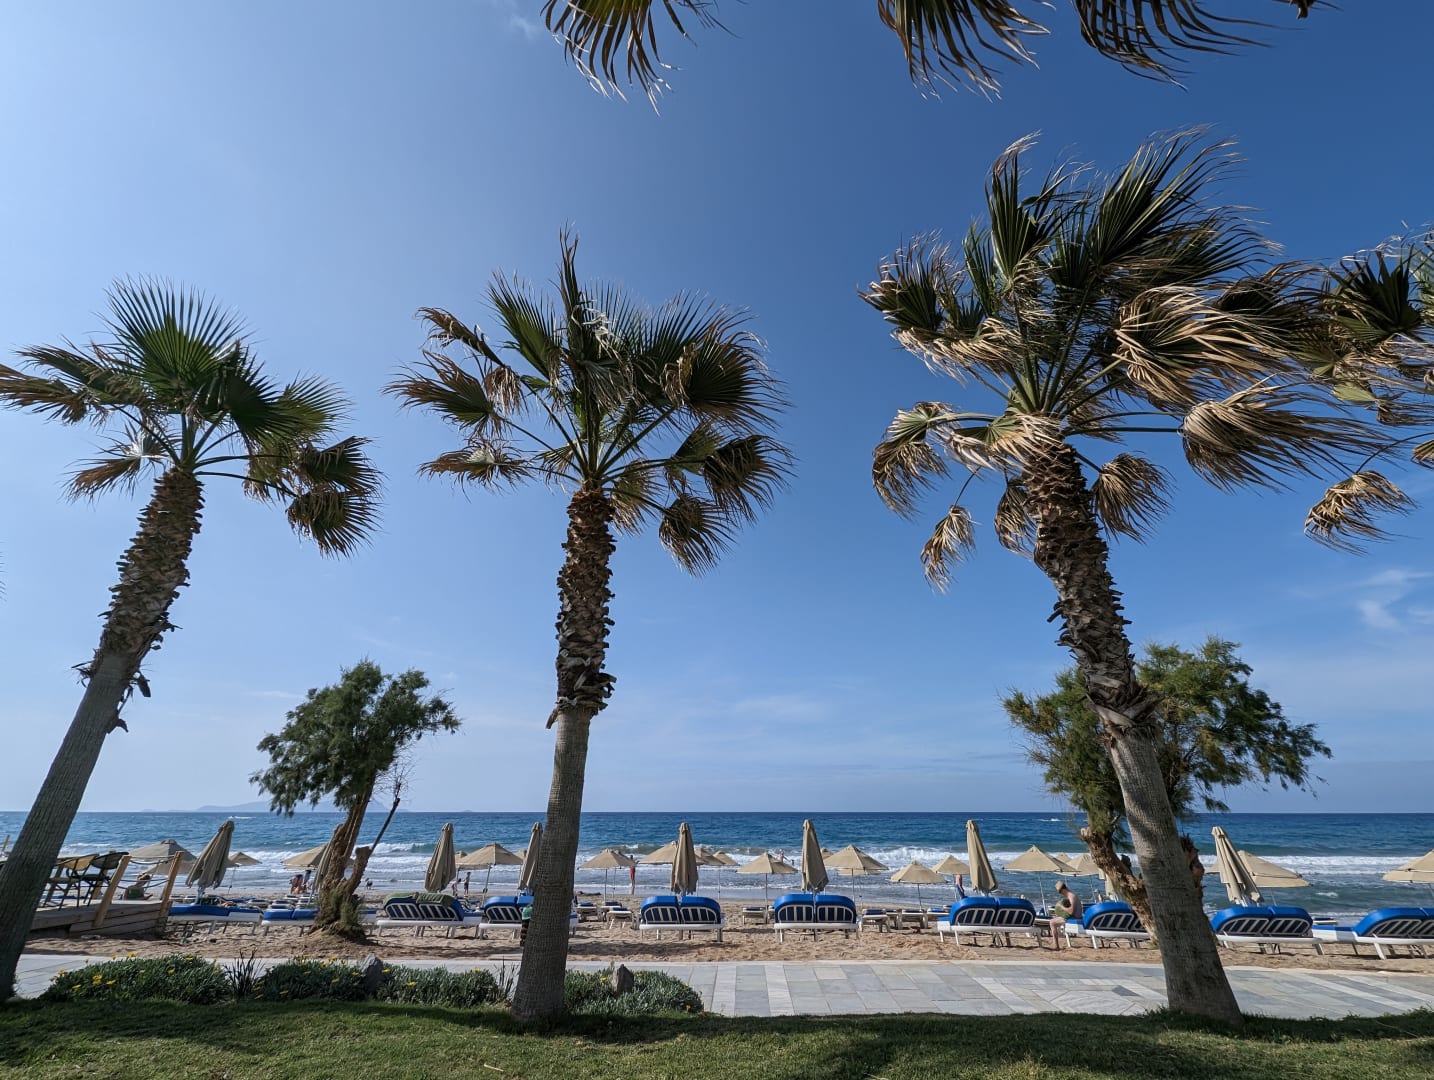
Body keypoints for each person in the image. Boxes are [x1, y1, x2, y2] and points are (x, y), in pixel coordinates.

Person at [1048, 880, 1083, 950]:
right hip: (1075, 916)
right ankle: (1055, 944)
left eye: (1060, 892)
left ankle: (1056, 945)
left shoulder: (1071, 897)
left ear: (1063, 890)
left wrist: (1061, 906)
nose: (1061, 894)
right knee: (1054, 919)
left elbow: (1071, 911)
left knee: (1052, 922)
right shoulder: (1071, 896)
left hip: (1074, 918)